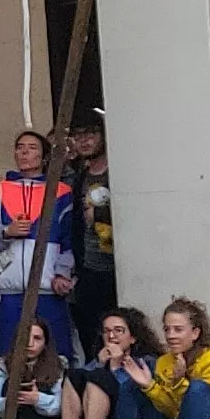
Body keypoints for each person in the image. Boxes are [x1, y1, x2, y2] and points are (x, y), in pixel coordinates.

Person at [0, 131, 79, 363]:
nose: (24, 152)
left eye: (32, 148)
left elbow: (69, 239)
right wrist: (6, 232)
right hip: (9, 293)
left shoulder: (61, 191)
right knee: (9, 356)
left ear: (44, 156)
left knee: (57, 354)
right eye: (20, 147)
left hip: (49, 291)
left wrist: (62, 273)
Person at [51, 309, 151, 419]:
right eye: (106, 331)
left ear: (132, 337)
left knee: (99, 377)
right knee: (74, 375)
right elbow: (82, 379)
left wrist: (115, 367)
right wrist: (100, 363)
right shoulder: (99, 361)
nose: (111, 336)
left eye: (118, 330)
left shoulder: (145, 361)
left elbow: (128, 391)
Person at [66, 122, 118, 337]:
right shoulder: (79, 176)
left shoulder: (117, 172)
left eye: (90, 133)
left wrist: (99, 214)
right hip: (89, 267)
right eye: (78, 135)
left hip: (118, 267)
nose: (84, 141)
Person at [0, 316, 64, 419]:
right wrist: (11, 401)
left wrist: (37, 399)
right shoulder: (3, 365)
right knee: (10, 384)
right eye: (25, 337)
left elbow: (61, 406)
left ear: (45, 343)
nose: (30, 344)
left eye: (37, 338)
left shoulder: (57, 366)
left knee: (42, 388)